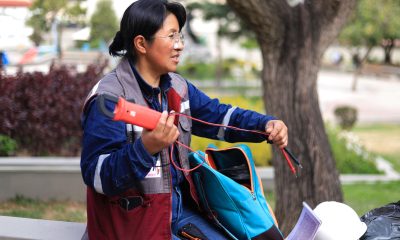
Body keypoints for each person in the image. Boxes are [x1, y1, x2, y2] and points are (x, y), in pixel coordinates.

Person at [80, 0, 288, 239]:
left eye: (179, 36)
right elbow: (97, 177)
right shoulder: (109, 99)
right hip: (132, 227)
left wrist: (265, 126)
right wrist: (145, 149)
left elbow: (219, 117)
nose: (179, 46)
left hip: (178, 214)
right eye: (171, 36)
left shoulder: (178, 88)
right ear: (141, 44)